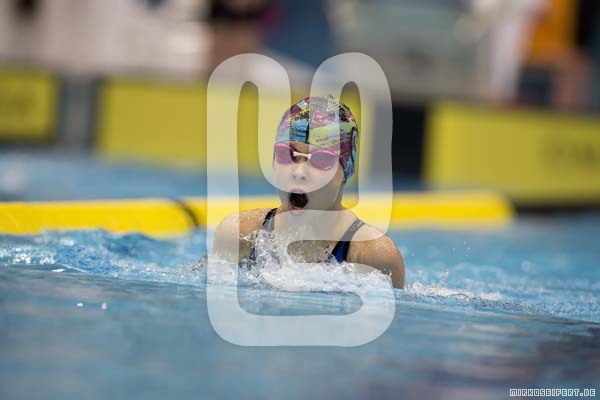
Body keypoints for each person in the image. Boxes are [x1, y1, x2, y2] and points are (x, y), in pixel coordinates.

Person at [212, 95, 405, 289]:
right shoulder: (240, 236)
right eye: (287, 154)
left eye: (320, 159)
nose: (299, 172)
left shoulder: (372, 254)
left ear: (345, 171)